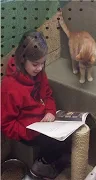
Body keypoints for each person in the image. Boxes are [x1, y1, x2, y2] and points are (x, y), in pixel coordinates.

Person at [1, 30, 69, 179]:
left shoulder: (38, 73)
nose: (40, 68)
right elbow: (6, 124)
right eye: (35, 64)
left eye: (43, 63)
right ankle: (39, 168)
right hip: (26, 129)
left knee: (66, 138)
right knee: (55, 144)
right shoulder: (9, 86)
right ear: (22, 59)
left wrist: (50, 111)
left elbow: (48, 95)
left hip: (43, 120)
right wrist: (29, 131)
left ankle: (50, 161)